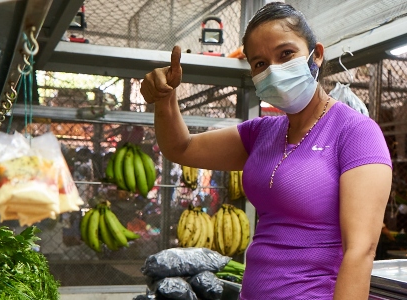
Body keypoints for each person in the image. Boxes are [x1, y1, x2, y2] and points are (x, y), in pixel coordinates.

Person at [140, 3, 392, 299]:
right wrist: (165, 99)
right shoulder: (262, 132)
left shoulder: (356, 132)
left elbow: (360, 251)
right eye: (260, 63)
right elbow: (181, 147)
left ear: (317, 55)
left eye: (286, 54)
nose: (274, 70)